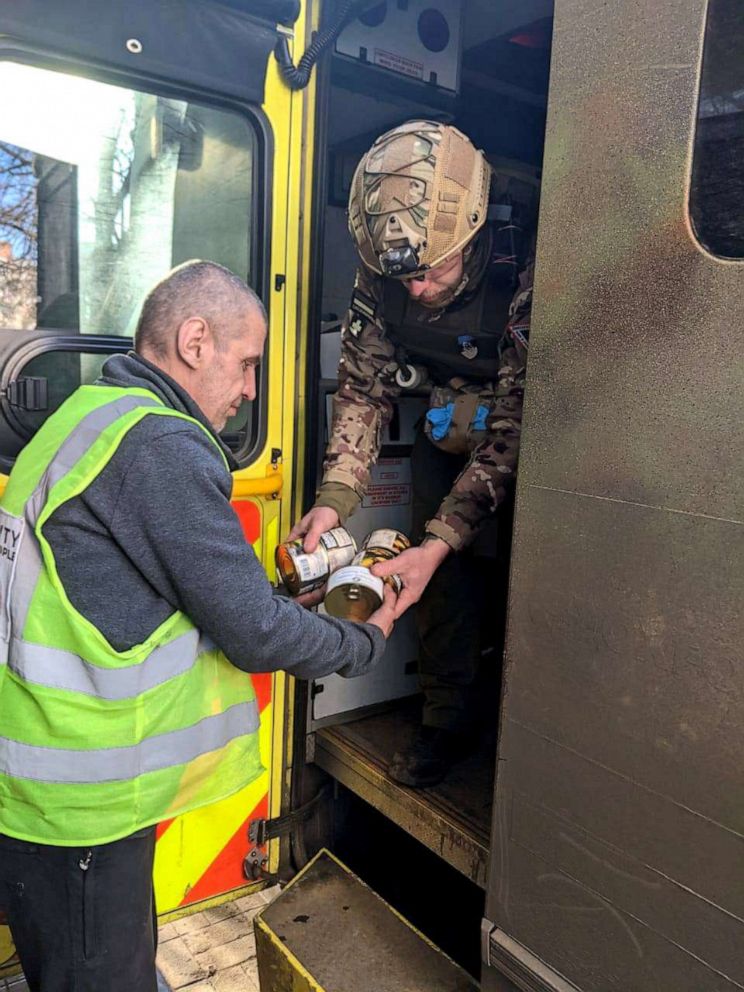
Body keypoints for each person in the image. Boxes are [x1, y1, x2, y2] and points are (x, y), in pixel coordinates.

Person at [0, 260, 396, 992]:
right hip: (80, 805)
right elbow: (253, 634)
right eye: (247, 364)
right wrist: (362, 640)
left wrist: (271, 604)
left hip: (44, 783)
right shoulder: (157, 443)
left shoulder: (90, 414)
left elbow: (146, 590)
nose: (251, 390)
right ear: (193, 341)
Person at [290, 120, 533, 788]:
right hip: (444, 427)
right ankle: (447, 721)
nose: (417, 290)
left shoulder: (527, 262)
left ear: (473, 230)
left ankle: (525, 738)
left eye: (434, 273)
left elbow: (516, 419)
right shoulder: (384, 270)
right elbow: (363, 392)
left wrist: (448, 534)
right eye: (405, 279)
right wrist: (333, 502)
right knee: (435, 582)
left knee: (526, 576)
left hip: (535, 437)